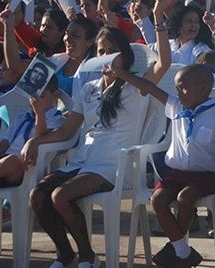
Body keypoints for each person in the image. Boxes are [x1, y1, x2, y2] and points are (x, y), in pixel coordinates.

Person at [22, 25, 170, 268]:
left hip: (114, 164)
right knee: (38, 196)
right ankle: (66, 255)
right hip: (84, 160)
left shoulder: (136, 87)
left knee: (61, 196)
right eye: (102, 52)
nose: (108, 58)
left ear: (124, 55)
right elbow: (68, 131)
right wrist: (36, 140)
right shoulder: (89, 89)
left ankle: (88, 257)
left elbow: (164, 62)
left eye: (113, 51)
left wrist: (158, 19)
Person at [108, 64, 215, 267]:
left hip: (202, 176)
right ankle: (183, 250)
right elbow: (150, 87)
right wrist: (121, 73)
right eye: (177, 88)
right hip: (175, 174)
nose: (178, 93)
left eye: (182, 88)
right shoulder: (176, 107)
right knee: (158, 199)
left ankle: (177, 250)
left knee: (185, 198)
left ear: (203, 89)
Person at [0, 75, 63, 187]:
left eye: (42, 96)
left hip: (25, 168)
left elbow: (41, 138)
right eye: (32, 96)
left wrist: (40, 114)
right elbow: (5, 143)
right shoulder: (22, 117)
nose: (35, 101)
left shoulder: (57, 120)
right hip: (4, 164)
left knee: (11, 161)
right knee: (7, 160)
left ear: (56, 95)